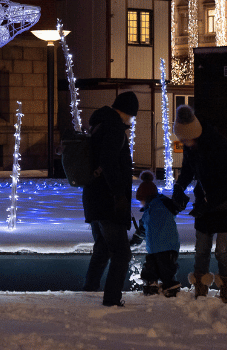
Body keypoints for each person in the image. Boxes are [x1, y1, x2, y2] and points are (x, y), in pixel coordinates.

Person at [172, 104, 227, 302]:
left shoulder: (219, 145)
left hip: (226, 201)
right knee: (202, 247)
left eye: (184, 139)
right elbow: (188, 169)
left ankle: (225, 284)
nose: (183, 143)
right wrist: (179, 187)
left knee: (223, 250)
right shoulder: (191, 147)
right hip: (206, 199)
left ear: (194, 134)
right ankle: (200, 283)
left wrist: (207, 203)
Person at [82, 91, 138, 307]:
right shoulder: (114, 128)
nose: (132, 121)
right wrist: (118, 194)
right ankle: (112, 299)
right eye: (133, 116)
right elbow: (108, 162)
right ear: (128, 112)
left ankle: (90, 290)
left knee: (103, 247)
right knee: (122, 253)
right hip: (108, 201)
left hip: (93, 198)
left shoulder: (99, 124)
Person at [129, 170, 181, 297]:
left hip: (166, 247)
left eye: (141, 200)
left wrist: (135, 241)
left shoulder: (159, 206)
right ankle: (152, 284)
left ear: (146, 197)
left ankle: (169, 286)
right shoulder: (152, 209)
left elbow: (142, 229)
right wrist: (135, 240)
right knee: (150, 268)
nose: (140, 203)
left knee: (165, 269)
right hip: (155, 248)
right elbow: (143, 228)